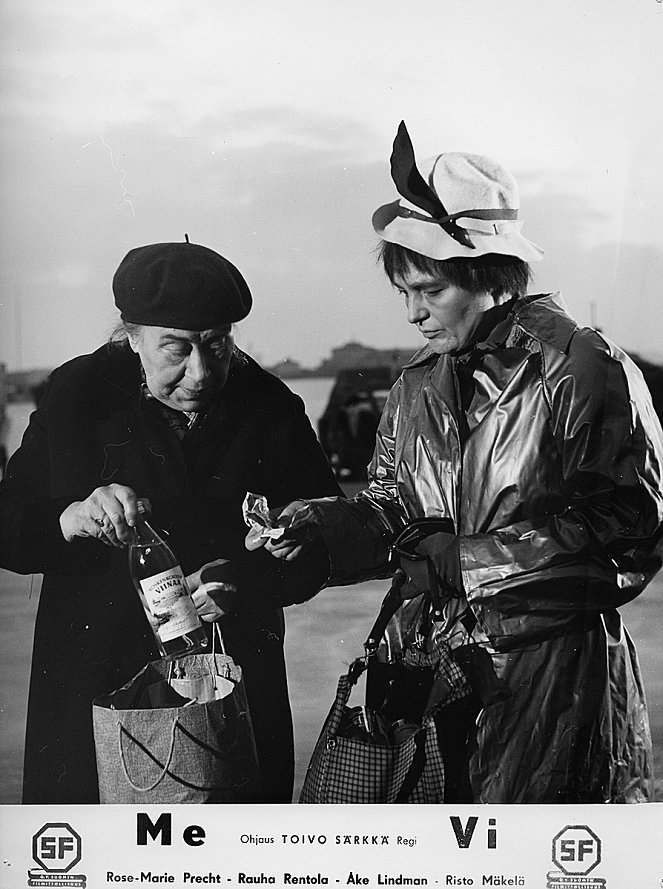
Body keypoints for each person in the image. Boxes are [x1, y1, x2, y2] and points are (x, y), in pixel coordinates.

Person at [248, 122, 663, 803]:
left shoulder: (579, 365)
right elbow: (390, 503)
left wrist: (467, 559)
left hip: (549, 686)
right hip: (426, 679)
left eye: (429, 292)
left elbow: (631, 526)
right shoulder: (415, 382)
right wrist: (318, 527)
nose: (412, 313)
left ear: (489, 274)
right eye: (403, 292)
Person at [0, 238, 341, 804]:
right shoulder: (78, 395)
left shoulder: (271, 405)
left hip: (231, 677)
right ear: (131, 336)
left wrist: (253, 579)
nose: (202, 372)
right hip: (93, 671)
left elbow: (325, 541)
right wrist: (71, 517)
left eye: (217, 345)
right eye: (176, 349)